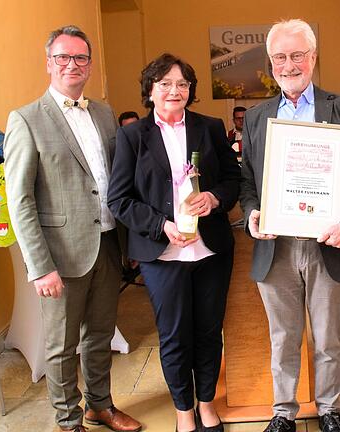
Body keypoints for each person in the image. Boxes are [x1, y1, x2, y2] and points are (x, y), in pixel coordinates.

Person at [239, 18, 340, 432]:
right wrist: (252, 214)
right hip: (277, 247)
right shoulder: (256, 117)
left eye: (297, 55)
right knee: (283, 337)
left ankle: (329, 409)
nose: (289, 64)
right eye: (280, 57)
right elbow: (249, 183)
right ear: (271, 63)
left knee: (328, 337)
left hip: (329, 243)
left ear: (313, 57)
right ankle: (283, 412)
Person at [4, 25, 142, 432]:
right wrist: (39, 265)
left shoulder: (101, 111)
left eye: (80, 57)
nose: (72, 65)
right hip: (60, 255)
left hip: (107, 244)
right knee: (61, 346)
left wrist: (127, 237)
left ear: (89, 64)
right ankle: (68, 421)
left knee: (99, 336)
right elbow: (20, 200)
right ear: (49, 63)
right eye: (63, 57)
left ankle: (100, 405)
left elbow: (117, 180)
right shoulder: (26, 119)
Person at [107, 53, 240, 432]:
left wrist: (214, 199)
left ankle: (207, 403)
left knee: (209, 331)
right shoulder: (133, 136)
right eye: (164, 83)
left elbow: (232, 180)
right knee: (174, 335)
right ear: (150, 91)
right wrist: (161, 225)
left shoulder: (210, 127)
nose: (174, 90)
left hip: (210, 249)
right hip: (162, 254)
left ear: (191, 90)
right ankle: (184, 410)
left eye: (182, 84)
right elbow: (119, 200)